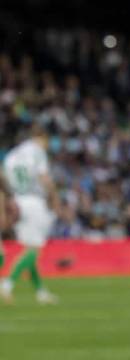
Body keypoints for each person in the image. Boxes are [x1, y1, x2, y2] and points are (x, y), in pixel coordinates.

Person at [1, 124, 60, 304]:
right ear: (42, 138)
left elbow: (3, 178)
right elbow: (44, 178)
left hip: (17, 202)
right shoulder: (37, 152)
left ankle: (40, 292)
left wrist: (8, 201)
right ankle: (7, 284)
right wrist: (54, 198)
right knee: (34, 249)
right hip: (34, 201)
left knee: (29, 249)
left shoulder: (12, 154)